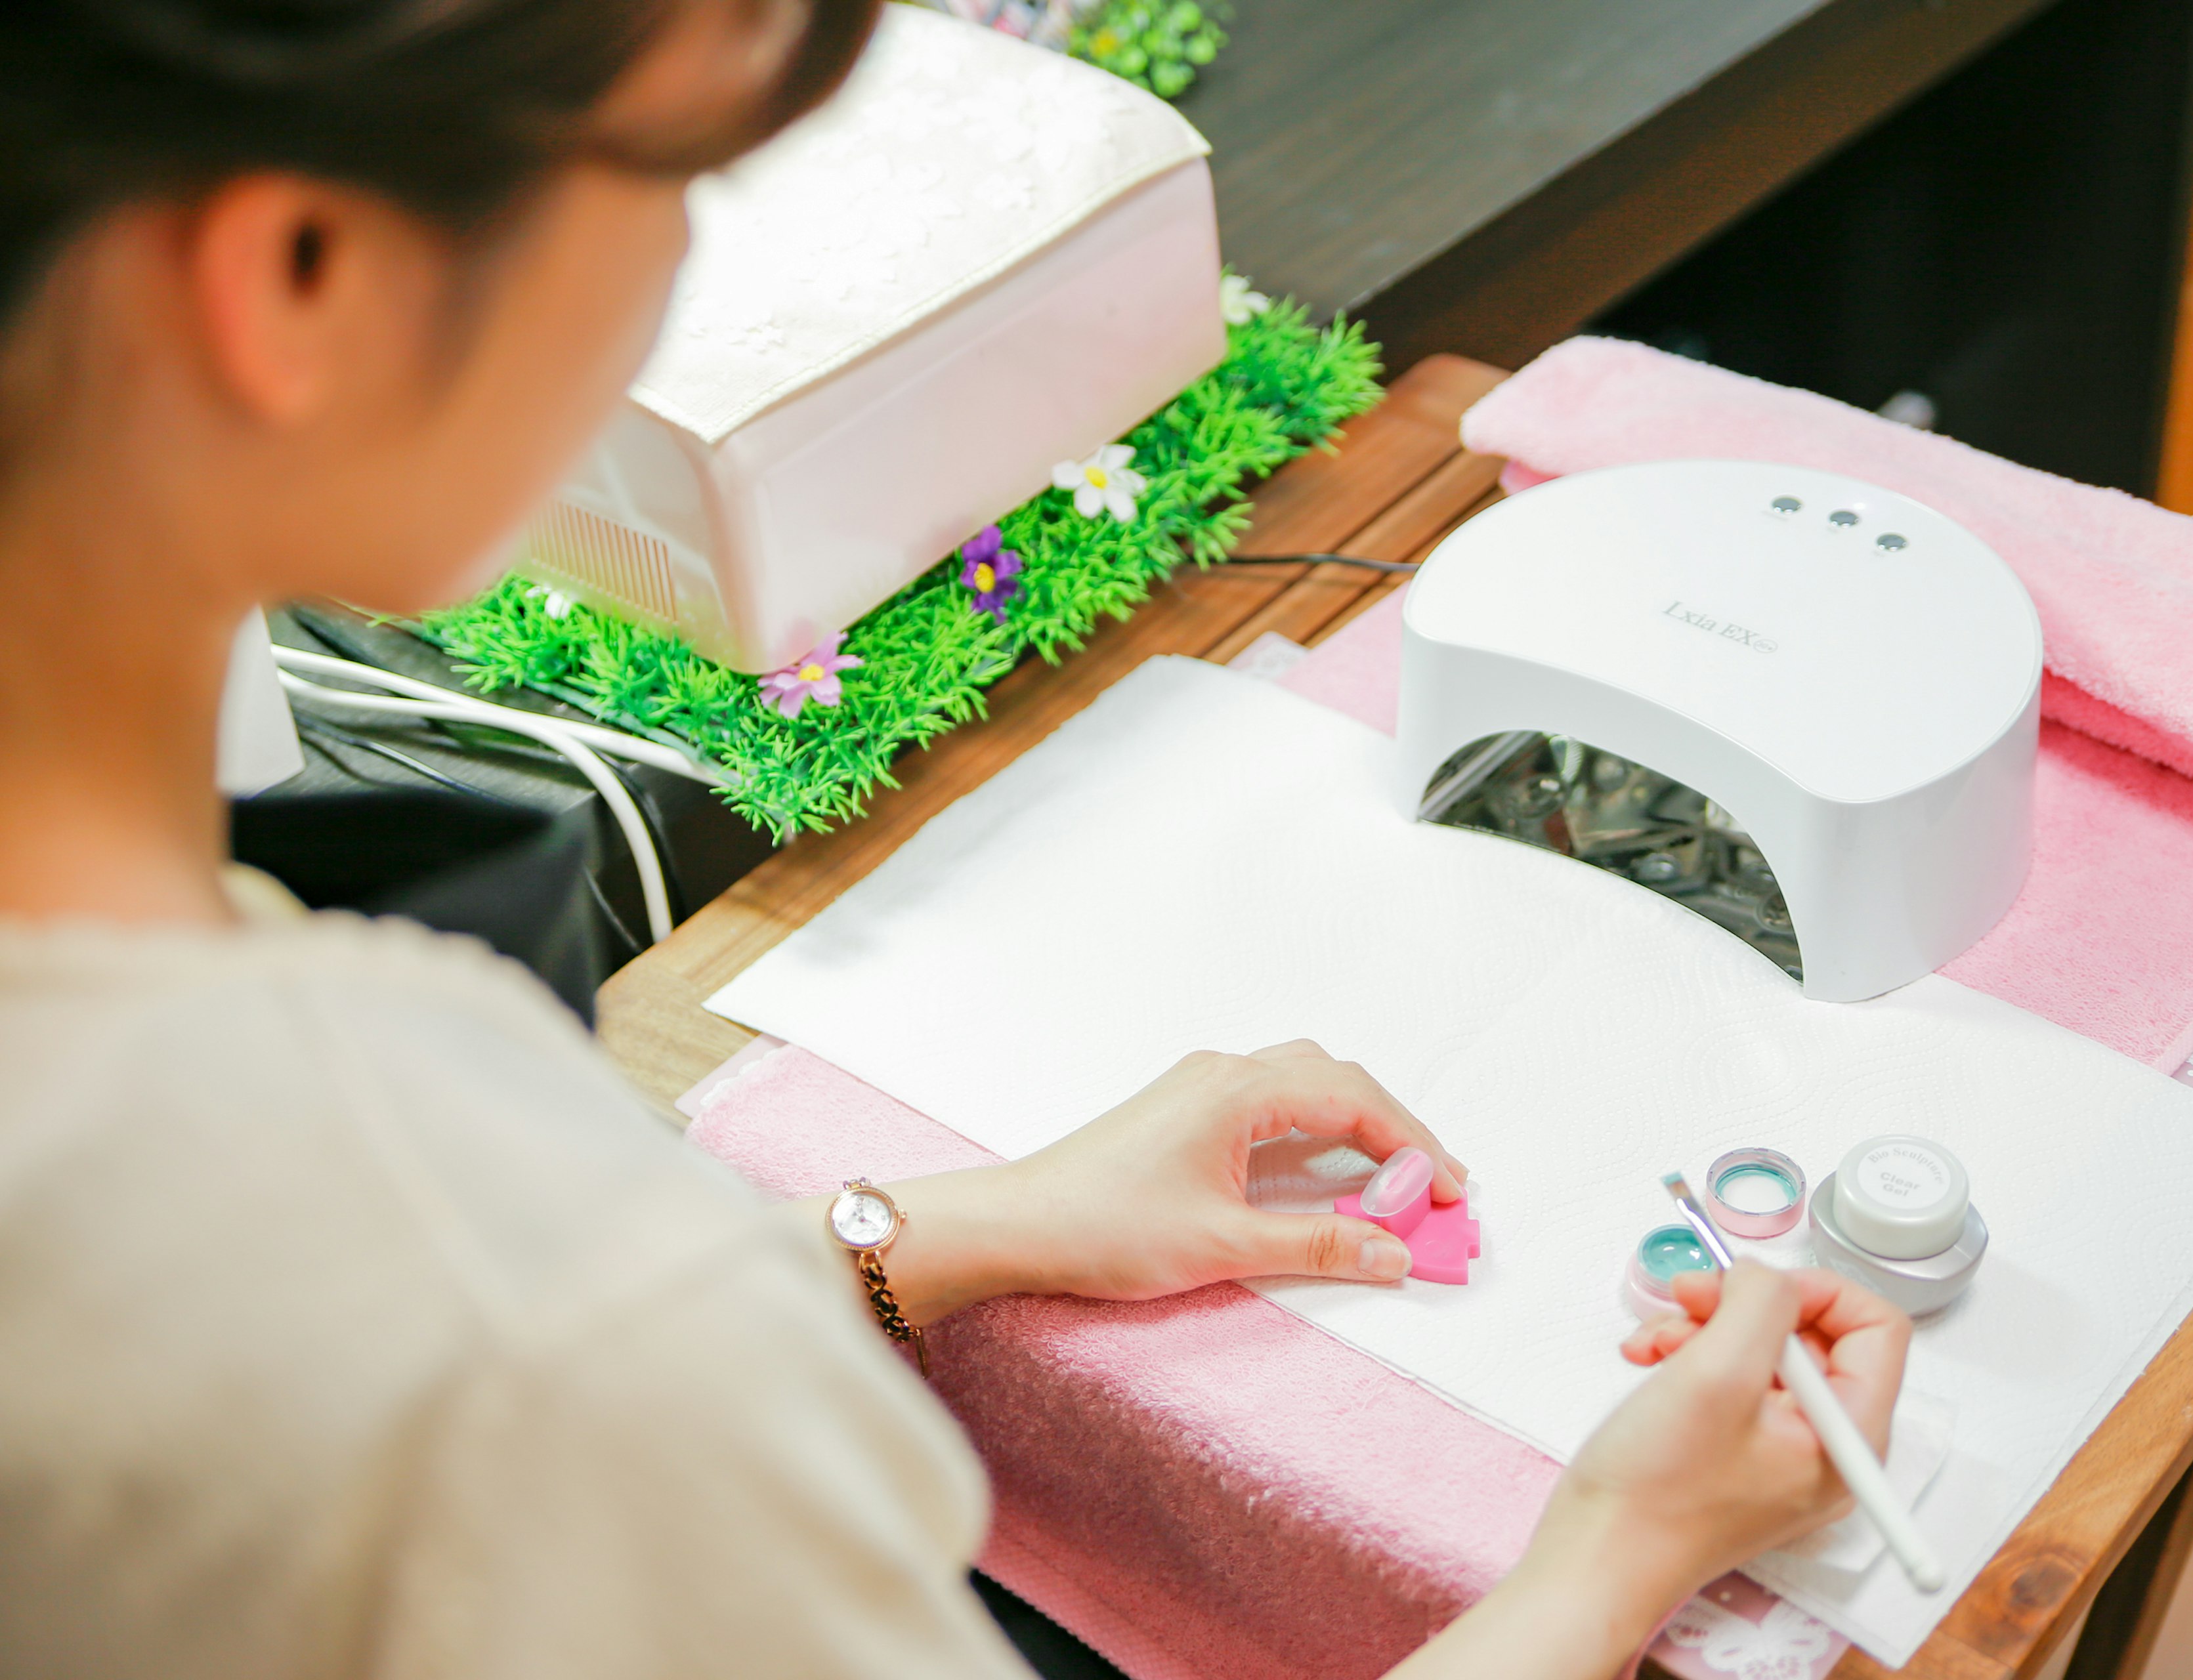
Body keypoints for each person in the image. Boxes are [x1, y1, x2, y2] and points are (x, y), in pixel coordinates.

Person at [0, 2, 1912, 1675]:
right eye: (678, 178)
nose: (681, 280)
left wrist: (959, 1227)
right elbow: (494, 1371)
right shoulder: (482, 1288)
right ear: (301, 280)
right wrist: (1614, 1559)